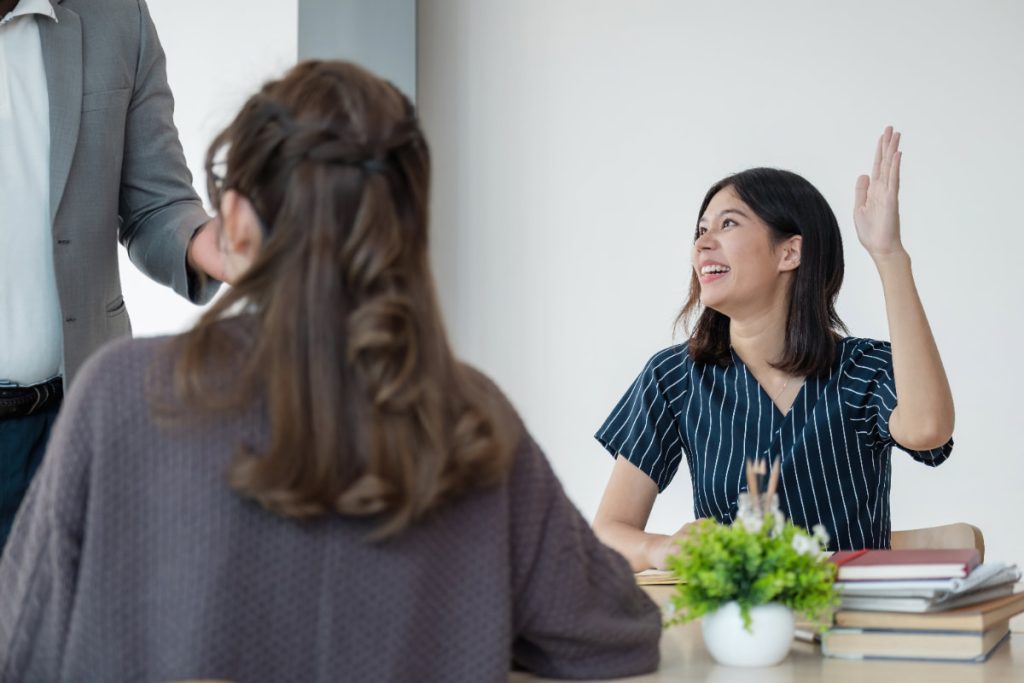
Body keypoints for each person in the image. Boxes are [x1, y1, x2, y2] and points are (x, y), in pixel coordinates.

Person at [0, 60, 661, 682]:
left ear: (234, 219)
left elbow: (19, 647)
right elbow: (616, 634)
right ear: (403, 226)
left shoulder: (119, 393)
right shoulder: (470, 415)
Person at [592, 128, 955, 570]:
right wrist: (657, 549)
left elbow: (929, 428)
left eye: (728, 224)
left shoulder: (863, 368)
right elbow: (607, 533)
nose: (703, 243)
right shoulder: (675, 377)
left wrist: (889, 255)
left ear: (790, 253)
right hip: (734, 629)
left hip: (851, 627)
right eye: (701, 230)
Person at [0, 0, 224, 550]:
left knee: (74, 636)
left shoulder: (116, 15)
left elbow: (155, 203)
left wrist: (207, 244)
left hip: (71, 427)